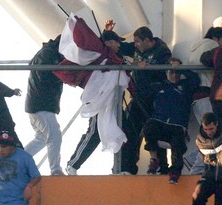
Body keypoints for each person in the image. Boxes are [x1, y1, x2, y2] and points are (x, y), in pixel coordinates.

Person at [65, 27, 129, 175]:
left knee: (124, 132)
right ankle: (73, 164)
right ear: (107, 43)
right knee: (94, 133)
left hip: (114, 102)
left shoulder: (116, 58)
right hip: (99, 101)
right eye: (116, 42)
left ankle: (120, 168)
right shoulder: (99, 57)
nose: (119, 45)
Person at [120, 26, 172, 175]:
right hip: (139, 96)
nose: (135, 44)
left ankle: (163, 167)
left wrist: (147, 67)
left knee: (155, 131)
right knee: (130, 131)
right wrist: (106, 32)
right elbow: (119, 46)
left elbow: (163, 70)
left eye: (137, 41)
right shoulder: (136, 48)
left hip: (155, 98)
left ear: (147, 40)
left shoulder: (162, 51)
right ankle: (127, 168)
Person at [141, 57, 200, 184]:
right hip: (159, 122)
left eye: (177, 72)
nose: (174, 75)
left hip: (177, 126)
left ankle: (175, 173)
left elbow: (196, 79)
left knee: (178, 146)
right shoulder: (159, 86)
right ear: (166, 72)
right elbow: (143, 91)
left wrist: (181, 68)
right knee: (148, 128)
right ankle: (154, 160)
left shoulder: (186, 86)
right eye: (171, 72)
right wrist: (143, 68)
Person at [23, 36, 65, 175]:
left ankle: (18, 162)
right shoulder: (49, 54)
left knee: (41, 138)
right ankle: (55, 170)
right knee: (54, 136)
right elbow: (46, 76)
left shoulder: (47, 52)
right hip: (42, 104)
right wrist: (64, 73)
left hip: (36, 104)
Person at [191, 112, 222, 205]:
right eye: (206, 129)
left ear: (216, 124)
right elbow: (201, 158)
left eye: (211, 129)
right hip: (209, 177)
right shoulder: (200, 140)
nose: (209, 132)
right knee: (197, 195)